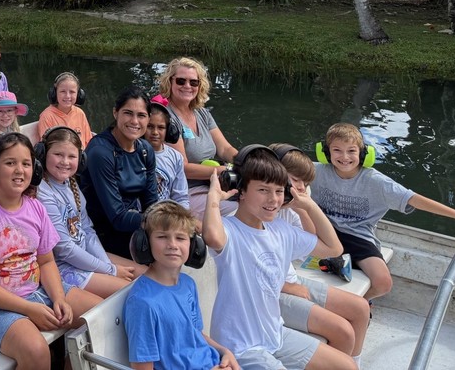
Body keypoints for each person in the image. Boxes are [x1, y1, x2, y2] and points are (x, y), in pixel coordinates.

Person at [203, 146, 356, 370]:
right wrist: (213, 197)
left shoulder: (281, 230)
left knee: (347, 366)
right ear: (241, 190)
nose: (273, 199)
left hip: (276, 335)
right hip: (242, 347)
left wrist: (307, 204)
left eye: (278, 191)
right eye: (263, 190)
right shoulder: (230, 230)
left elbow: (333, 248)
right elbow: (212, 237)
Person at [0, 132, 101, 368]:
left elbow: (46, 262)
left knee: (96, 317)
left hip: (37, 289)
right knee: (36, 351)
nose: (19, 170)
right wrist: (29, 309)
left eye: (25, 164)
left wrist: (59, 298)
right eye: (10, 163)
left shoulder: (35, 207)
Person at [310, 122, 455, 300]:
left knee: (383, 283)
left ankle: (355, 303)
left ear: (363, 153)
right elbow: (285, 166)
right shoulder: (314, 170)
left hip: (357, 236)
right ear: (326, 152)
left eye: (351, 151)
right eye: (337, 150)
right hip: (322, 231)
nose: (344, 157)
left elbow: (415, 199)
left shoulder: (378, 182)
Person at [271, 143, 370, 363]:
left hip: (289, 280)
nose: (299, 188)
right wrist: (287, 287)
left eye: (304, 184)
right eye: (294, 180)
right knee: (343, 331)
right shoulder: (259, 215)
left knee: (361, 308)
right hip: (273, 292)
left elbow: (328, 249)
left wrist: (306, 206)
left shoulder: (287, 212)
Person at [123, 201, 239, 370]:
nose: (173, 245)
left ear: (193, 246)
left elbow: (195, 334)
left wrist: (225, 352)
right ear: (144, 244)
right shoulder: (142, 302)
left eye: (180, 237)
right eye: (162, 237)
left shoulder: (188, 284)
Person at [35, 126, 136, 298]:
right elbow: (63, 248)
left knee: (146, 276)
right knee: (133, 291)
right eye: (58, 154)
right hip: (63, 267)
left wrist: (106, 266)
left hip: (83, 257)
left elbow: (88, 231)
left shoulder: (71, 185)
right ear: (43, 155)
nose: (65, 161)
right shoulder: (42, 192)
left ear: (80, 160)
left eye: (72, 156)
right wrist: (109, 270)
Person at [79, 86, 160, 259]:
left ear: (148, 118)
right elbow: (116, 217)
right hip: (102, 232)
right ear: (115, 113)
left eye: (141, 115)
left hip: (133, 224)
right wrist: (161, 222)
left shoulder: (145, 150)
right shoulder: (100, 152)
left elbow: (151, 202)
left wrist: (162, 221)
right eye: (128, 113)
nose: (135, 121)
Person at [160, 57, 239, 218]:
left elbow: (225, 148)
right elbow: (184, 168)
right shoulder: (166, 118)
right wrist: (226, 170)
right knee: (240, 210)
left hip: (212, 183)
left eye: (193, 82)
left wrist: (247, 161)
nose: (187, 86)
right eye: (181, 81)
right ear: (170, 82)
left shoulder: (202, 113)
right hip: (187, 191)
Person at [145, 102, 190, 209]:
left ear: (169, 130)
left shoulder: (176, 157)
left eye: (161, 127)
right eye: (150, 126)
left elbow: (181, 198)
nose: (155, 132)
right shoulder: (133, 152)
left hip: (166, 215)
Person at [38, 72, 93, 145]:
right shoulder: (47, 116)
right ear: (54, 93)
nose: (67, 96)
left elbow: (89, 141)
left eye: (72, 92)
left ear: (79, 94)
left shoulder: (80, 113)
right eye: (63, 91)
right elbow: (47, 147)